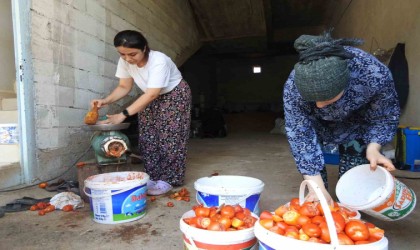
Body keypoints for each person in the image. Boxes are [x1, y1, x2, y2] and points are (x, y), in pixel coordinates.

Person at [283, 32, 400, 202]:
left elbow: (384, 115)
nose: (319, 105)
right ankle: (320, 199)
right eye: (313, 100)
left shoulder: (373, 74)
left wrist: (374, 146)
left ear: (346, 82)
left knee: (355, 187)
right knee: (318, 195)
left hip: (356, 124)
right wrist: (317, 187)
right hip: (317, 125)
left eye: (327, 99)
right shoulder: (293, 88)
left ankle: (352, 206)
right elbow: (300, 136)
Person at [90, 30, 192, 195]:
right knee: (148, 135)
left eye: (132, 54)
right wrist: (105, 101)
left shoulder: (159, 61)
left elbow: (153, 93)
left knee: (170, 136)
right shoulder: (125, 61)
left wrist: (123, 114)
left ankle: (169, 179)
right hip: (148, 94)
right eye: (122, 54)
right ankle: (152, 176)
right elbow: (124, 86)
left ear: (144, 48)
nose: (128, 58)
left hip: (173, 94)